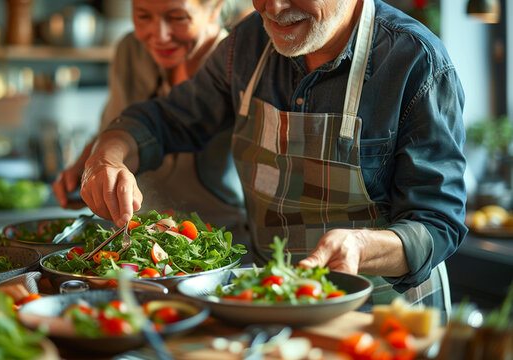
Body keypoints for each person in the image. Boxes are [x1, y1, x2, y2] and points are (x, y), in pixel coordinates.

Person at [78, 0, 466, 311]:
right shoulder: (246, 45)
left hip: (383, 312)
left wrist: (361, 247)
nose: (273, 7)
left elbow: (437, 224)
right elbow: (165, 118)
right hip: (272, 302)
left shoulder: (417, 61)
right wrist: (106, 158)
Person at [52, 0, 251, 228]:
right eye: (143, 16)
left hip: (219, 237)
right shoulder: (130, 51)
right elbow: (112, 129)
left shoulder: (235, 64)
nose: (160, 35)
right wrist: (89, 166)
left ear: (215, 8)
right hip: (137, 231)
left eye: (178, 18)